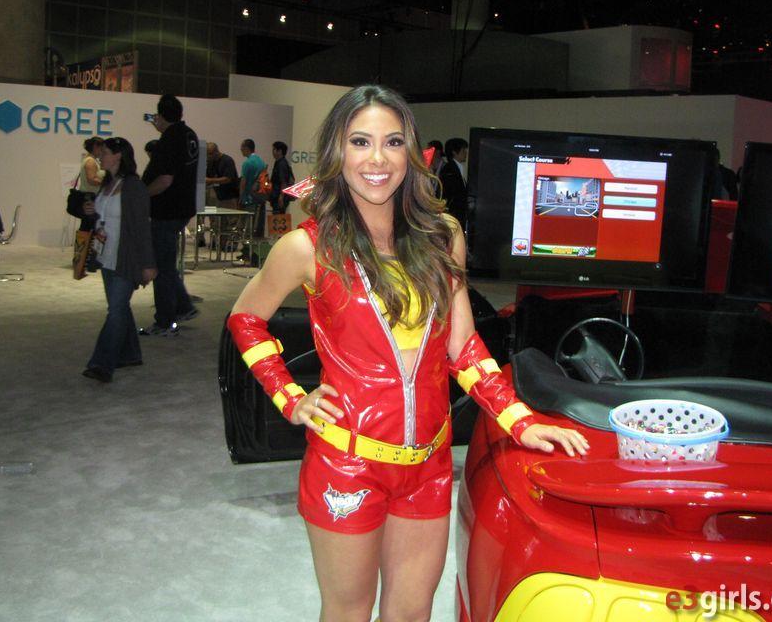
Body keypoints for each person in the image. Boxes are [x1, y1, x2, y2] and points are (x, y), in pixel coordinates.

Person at [226, 86, 588, 622]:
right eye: (360, 142)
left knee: (412, 613)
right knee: (348, 613)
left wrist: (520, 420)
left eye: (392, 142)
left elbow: (463, 347)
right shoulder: (308, 246)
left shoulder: (443, 237)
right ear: (337, 151)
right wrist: (289, 397)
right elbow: (245, 317)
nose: (377, 159)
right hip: (347, 465)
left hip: (429, 465)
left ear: (413, 153)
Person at [81, 137, 157, 383]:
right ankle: (130, 353)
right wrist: (91, 212)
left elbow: (141, 227)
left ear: (118, 156)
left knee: (115, 311)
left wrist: (148, 263)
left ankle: (102, 364)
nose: (100, 156)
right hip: (106, 256)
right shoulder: (107, 183)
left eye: (105, 152)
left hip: (126, 258)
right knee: (120, 307)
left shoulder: (134, 186)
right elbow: (103, 218)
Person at [140, 94, 200, 337]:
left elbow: (165, 180)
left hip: (166, 210)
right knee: (166, 264)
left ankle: (165, 320)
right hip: (182, 208)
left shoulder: (169, 139)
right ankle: (183, 306)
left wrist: (141, 195)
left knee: (162, 268)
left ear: (160, 116)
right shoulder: (189, 135)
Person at [439, 137, 469, 232]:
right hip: (453, 215)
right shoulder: (449, 171)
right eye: (463, 150)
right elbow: (451, 194)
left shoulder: (455, 168)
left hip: (457, 215)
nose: (466, 153)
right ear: (454, 152)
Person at [239, 138, 267, 237]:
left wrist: (241, 198)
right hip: (260, 197)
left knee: (248, 226)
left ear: (247, 148)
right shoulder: (262, 162)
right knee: (258, 225)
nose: (240, 150)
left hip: (249, 199)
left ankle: (248, 244)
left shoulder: (247, 163)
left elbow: (243, 182)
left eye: (242, 147)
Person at [77, 137, 106, 231]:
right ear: (95, 147)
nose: (103, 151)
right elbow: (91, 179)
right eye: (101, 148)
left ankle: (85, 240)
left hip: (91, 197)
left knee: (88, 226)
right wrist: (106, 183)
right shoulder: (91, 161)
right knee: (90, 226)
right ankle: (86, 241)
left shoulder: (91, 160)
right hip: (91, 197)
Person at [205, 142, 240, 210]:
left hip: (229, 197)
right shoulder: (210, 162)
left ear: (216, 152)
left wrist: (210, 180)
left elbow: (228, 179)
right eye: (207, 155)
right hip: (218, 197)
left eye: (210, 154)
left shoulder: (227, 160)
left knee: (229, 216)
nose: (208, 157)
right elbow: (208, 177)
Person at [269, 141, 295, 215]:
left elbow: (283, 182)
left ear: (279, 151)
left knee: (278, 217)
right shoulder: (279, 162)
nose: (272, 152)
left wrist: (281, 196)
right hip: (278, 196)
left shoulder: (281, 164)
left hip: (279, 196)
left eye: (274, 149)